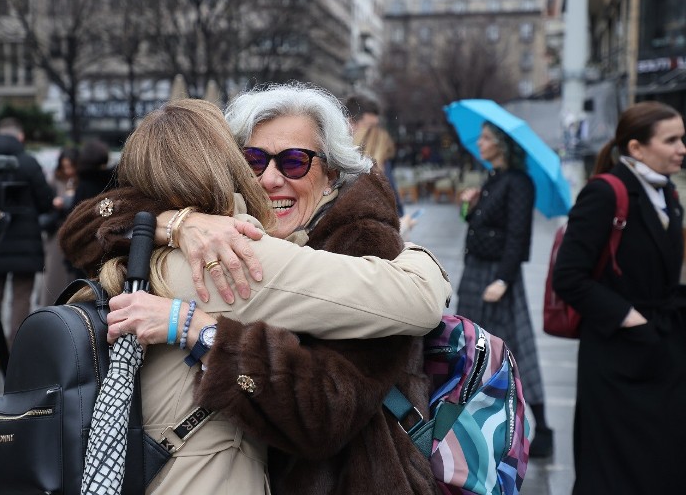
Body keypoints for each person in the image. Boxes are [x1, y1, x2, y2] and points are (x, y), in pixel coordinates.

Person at [58, 97, 451, 493]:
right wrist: (419, 255)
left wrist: (176, 235)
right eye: (253, 160)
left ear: (331, 172)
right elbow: (420, 295)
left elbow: (327, 413)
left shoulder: (142, 251)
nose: (269, 179)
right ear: (227, 168)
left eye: (295, 161)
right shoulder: (231, 252)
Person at [552, 101, 686, 494]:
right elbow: (569, 277)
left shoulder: (668, 194)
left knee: (663, 463)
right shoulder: (606, 194)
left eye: (683, 138)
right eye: (672, 140)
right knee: (615, 472)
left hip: (663, 351)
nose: (682, 148)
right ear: (637, 148)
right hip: (616, 358)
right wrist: (631, 320)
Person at [456, 121, 553, 458]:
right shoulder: (493, 179)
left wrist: (504, 280)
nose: (480, 143)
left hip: (497, 277)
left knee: (515, 348)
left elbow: (517, 235)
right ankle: (475, 421)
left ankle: (543, 425)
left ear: (502, 143)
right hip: (475, 273)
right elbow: (477, 223)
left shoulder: (518, 183)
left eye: (486, 137)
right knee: (474, 349)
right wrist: (469, 204)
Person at [0, 117, 54, 364]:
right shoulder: (28, 163)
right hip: (26, 240)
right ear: (19, 137)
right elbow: (45, 201)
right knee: (22, 297)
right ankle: (15, 352)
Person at [39, 146, 79, 305]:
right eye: (65, 166)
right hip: (57, 230)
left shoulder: (80, 180)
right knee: (54, 275)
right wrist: (55, 203)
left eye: (70, 166)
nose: (68, 170)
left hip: (74, 231)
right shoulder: (54, 180)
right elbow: (46, 202)